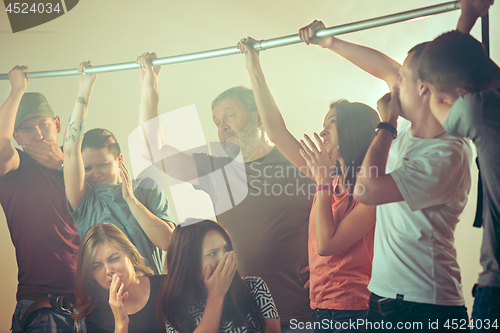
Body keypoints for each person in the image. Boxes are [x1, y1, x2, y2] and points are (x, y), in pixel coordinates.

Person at [299, 20, 473, 331]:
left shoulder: (445, 154)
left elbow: (366, 191)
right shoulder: (411, 128)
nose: (394, 84)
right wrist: (330, 42)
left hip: (425, 307)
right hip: (381, 301)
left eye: (402, 79)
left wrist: (387, 124)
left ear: (423, 88)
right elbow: (386, 68)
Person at [137, 53, 313, 330]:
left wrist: (328, 268)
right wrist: (150, 86)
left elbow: (342, 218)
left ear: (258, 117)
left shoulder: (300, 160)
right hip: (247, 319)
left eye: (230, 115)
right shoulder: (218, 171)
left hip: (306, 314)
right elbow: (154, 150)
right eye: (217, 121)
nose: (222, 127)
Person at [237, 37, 378, 331]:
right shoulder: (327, 175)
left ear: (353, 130)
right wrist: (253, 67)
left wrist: (323, 183)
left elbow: (327, 245)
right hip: (320, 307)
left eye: (331, 124)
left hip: (353, 313)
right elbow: (276, 132)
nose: (322, 131)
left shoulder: (368, 187)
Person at [417, 1, 499, 330]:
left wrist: (467, 17)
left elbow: (442, 112)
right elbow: (466, 65)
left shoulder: (479, 111)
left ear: (461, 94)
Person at [64, 61, 175, 275]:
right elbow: (70, 149)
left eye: (103, 164)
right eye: (87, 168)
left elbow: (168, 242)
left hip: (153, 292)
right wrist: (84, 90)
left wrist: (131, 202)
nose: (95, 174)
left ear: (119, 160)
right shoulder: (84, 201)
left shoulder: (147, 187)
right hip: (107, 297)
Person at [0, 66, 80, 332]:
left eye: (43, 124)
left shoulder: (78, 169)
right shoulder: (15, 167)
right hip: (42, 305)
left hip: (92, 304)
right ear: (17, 137)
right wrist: (16, 91)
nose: (37, 134)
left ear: (57, 124)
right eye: (26, 129)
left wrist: (63, 164)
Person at [157, 219, 280, 333]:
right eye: (212, 253)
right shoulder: (174, 307)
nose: (224, 258)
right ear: (188, 263)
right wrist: (216, 297)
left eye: (226, 249)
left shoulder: (254, 286)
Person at [73, 222, 161, 333]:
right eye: (97, 266)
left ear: (130, 253)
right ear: (91, 275)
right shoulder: (96, 320)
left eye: (114, 259)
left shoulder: (166, 285)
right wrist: (120, 323)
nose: (108, 271)